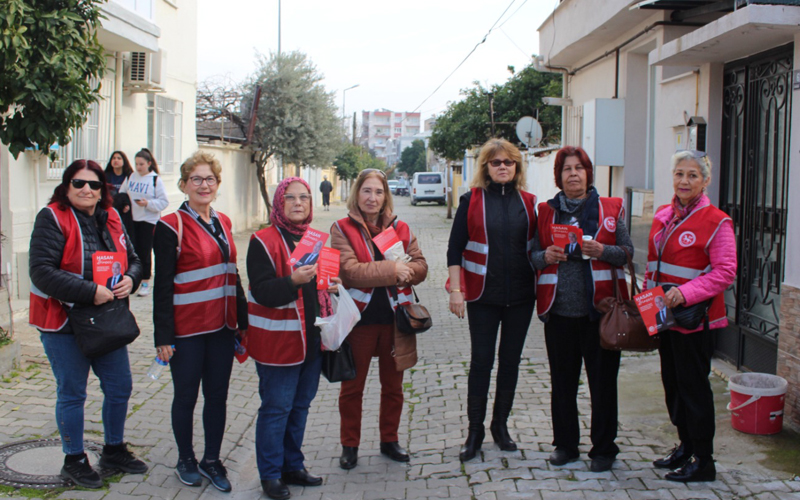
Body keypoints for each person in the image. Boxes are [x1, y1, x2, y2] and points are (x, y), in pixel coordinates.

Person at [29, 159, 147, 489]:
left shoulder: (112, 219)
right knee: (72, 393)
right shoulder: (52, 217)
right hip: (63, 322)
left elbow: (135, 259)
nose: (86, 189)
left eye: (94, 185)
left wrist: (130, 279)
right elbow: (41, 271)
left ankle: (113, 450)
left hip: (105, 320)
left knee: (120, 386)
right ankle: (74, 460)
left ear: (102, 191)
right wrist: (90, 290)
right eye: (79, 183)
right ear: (66, 187)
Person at [530, 146, 633, 473]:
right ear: (558, 177)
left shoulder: (611, 208)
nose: (573, 174)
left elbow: (628, 253)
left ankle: (604, 449)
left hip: (602, 313)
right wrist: (545, 256)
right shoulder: (545, 212)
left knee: (603, 384)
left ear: (589, 173)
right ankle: (565, 445)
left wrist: (603, 249)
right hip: (559, 313)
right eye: (566, 169)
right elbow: (531, 255)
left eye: (579, 168)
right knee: (562, 383)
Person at [152, 151, 248, 492]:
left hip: (222, 328)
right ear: (183, 184)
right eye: (196, 179)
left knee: (218, 397)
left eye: (210, 179)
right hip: (187, 330)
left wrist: (243, 323)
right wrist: (162, 337)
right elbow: (162, 286)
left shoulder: (223, 221)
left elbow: (231, 274)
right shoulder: (169, 226)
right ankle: (186, 459)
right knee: (186, 396)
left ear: (218, 184)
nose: (203, 185)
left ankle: (211, 459)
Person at [247, 177, 341, 500]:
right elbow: (260, 292)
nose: (298, 203)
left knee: (300, 406)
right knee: (277, 408)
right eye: (291, 198)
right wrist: (292, 281)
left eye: (304, 197)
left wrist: (328, 283)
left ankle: (292, 465)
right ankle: (270, 474)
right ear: (279, 203)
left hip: (311, 341)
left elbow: (314, 288)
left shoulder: (314, 239)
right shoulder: (262, 240)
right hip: (279, 345)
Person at [646, 150, 736, 483]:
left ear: (705, 181)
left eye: (693, 175)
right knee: (673, 387)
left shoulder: (717, 221)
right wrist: (647, 307)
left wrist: (686, 293)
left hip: (696, 320)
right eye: (679, 174)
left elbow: (726, 271)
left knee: (694, 389)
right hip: (665, 318)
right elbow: (653, 268)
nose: (684, 181)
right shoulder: (663, 216)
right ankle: (685, 446)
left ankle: (704, 461)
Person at [446, 138, 538, 462]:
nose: (502, 167)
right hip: (483, 297)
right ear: (486, 167)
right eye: (496, 162)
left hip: (522, 298)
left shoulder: (529, 202)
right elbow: (454, 248)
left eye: (508, 162)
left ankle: (501, 427)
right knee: (481, 362)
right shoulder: (470, 200)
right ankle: (475, 432)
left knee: (510, 363)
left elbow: (537, 249)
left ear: (516, 167)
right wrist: (457, 291)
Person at [331, 168, 428, 470]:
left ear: (386, 196)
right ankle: (350, 445)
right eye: (366, 191)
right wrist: (393, 270)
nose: (372, 198)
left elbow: (422, 267)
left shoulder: (401, 227)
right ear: (357, 194)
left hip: (396, 320)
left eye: (378, 192)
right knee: (352, 388)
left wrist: (408, 271)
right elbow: (350, 271)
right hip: (357, 321)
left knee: (393, 386)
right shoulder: (341, 228)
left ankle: (390, 439)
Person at [120, 148, 169, 297]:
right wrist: (125, 205)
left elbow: (163, 202)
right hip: (132, 219)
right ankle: (131, 279)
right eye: (136, 164)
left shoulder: (155, 180)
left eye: (141, 164)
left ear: (149, 163)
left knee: (145, 251)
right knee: (131, 250)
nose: (138, 167)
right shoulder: (130, 177)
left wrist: (147, 203)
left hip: (148, 220)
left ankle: (145, 282)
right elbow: (122, 194)